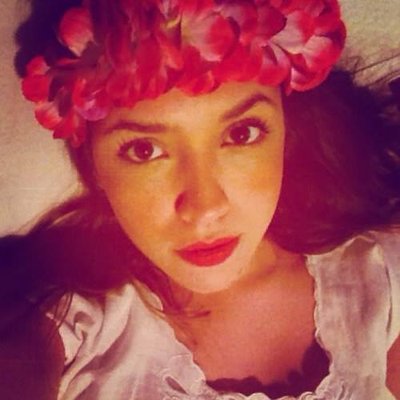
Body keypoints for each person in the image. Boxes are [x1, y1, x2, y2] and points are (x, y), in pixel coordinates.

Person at [1, 0, 400, 398]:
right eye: (144, 150)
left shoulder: (378, 273)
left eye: (241, 134)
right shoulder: (68, 327)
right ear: (93, 165)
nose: (205, 208)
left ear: (286, 130)